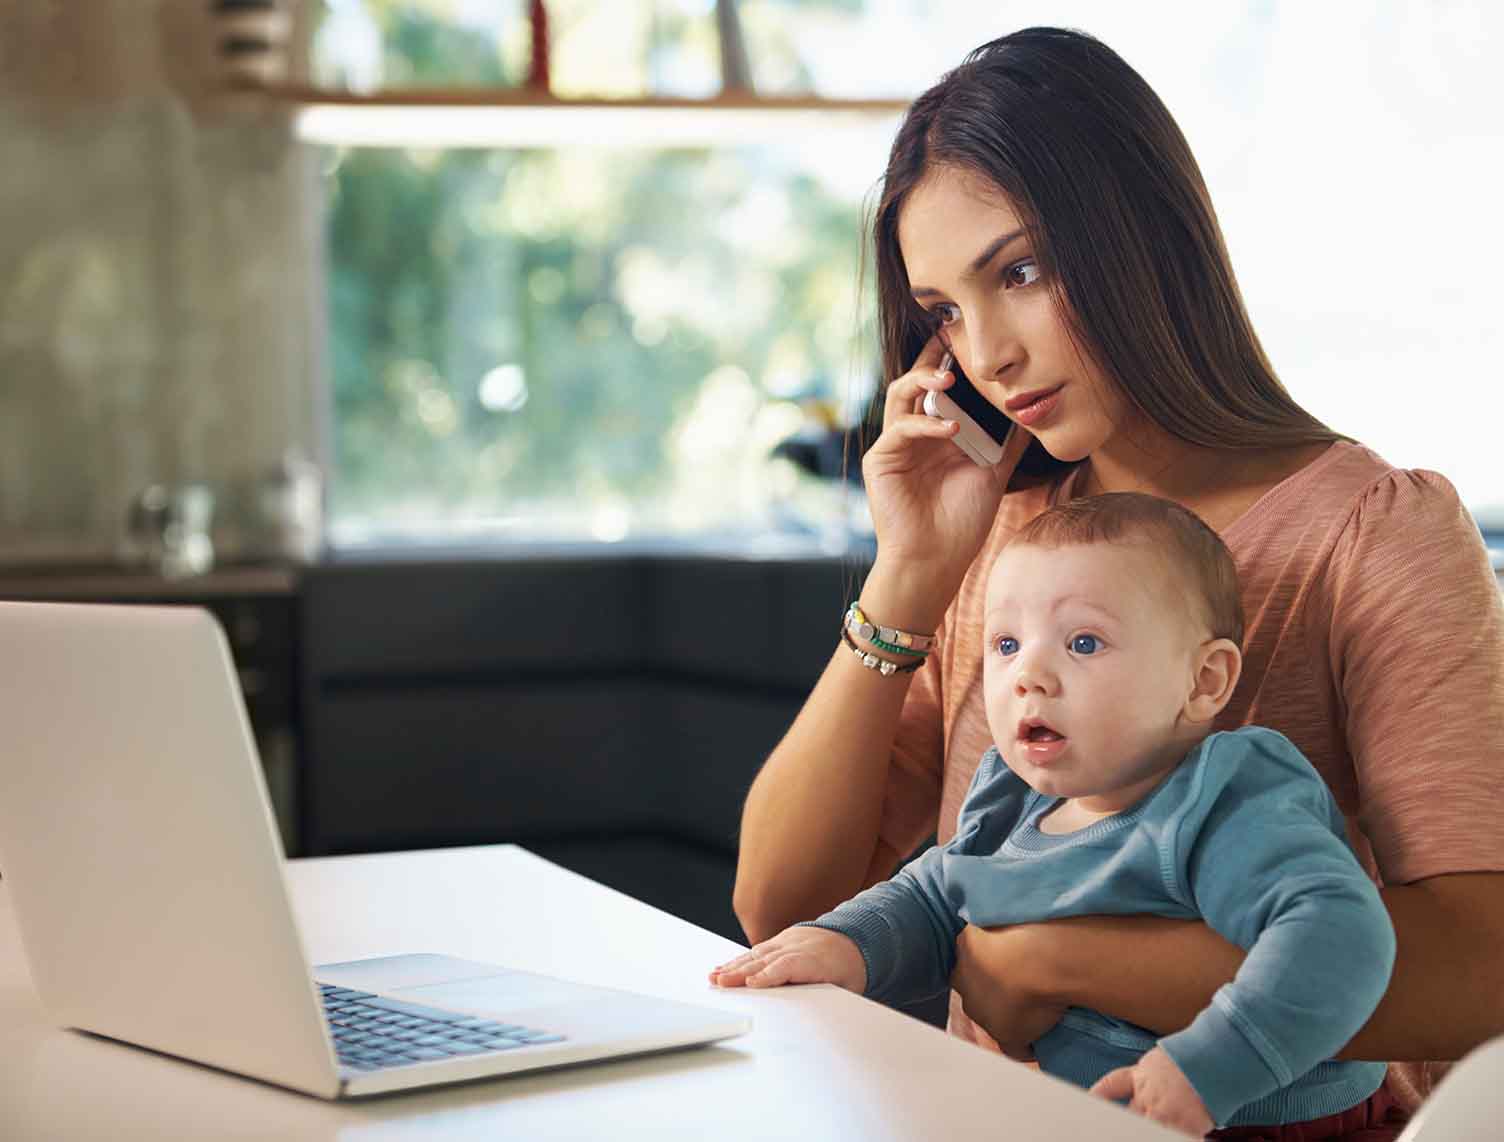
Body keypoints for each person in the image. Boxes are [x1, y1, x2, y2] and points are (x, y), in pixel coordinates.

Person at [729, 23, 1504, 1134]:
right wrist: (908, 574)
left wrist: (1052, 959)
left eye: (1021, 271)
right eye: (946, 310)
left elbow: (1480, 963)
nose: (986, 352)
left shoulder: (1373, 532)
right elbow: (781, 907)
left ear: (1144, 236)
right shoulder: (997, 542)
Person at [713, 492, 1398, 1137]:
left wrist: (1210, 1067)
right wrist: (845, 946)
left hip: (1260, 1117)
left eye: (1084, 643)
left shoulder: (1222, 801)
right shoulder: (1015, 799)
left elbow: (1340, 932)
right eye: (1006, 644)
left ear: (1204, 681)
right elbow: (932, 896)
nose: (1027, 676)